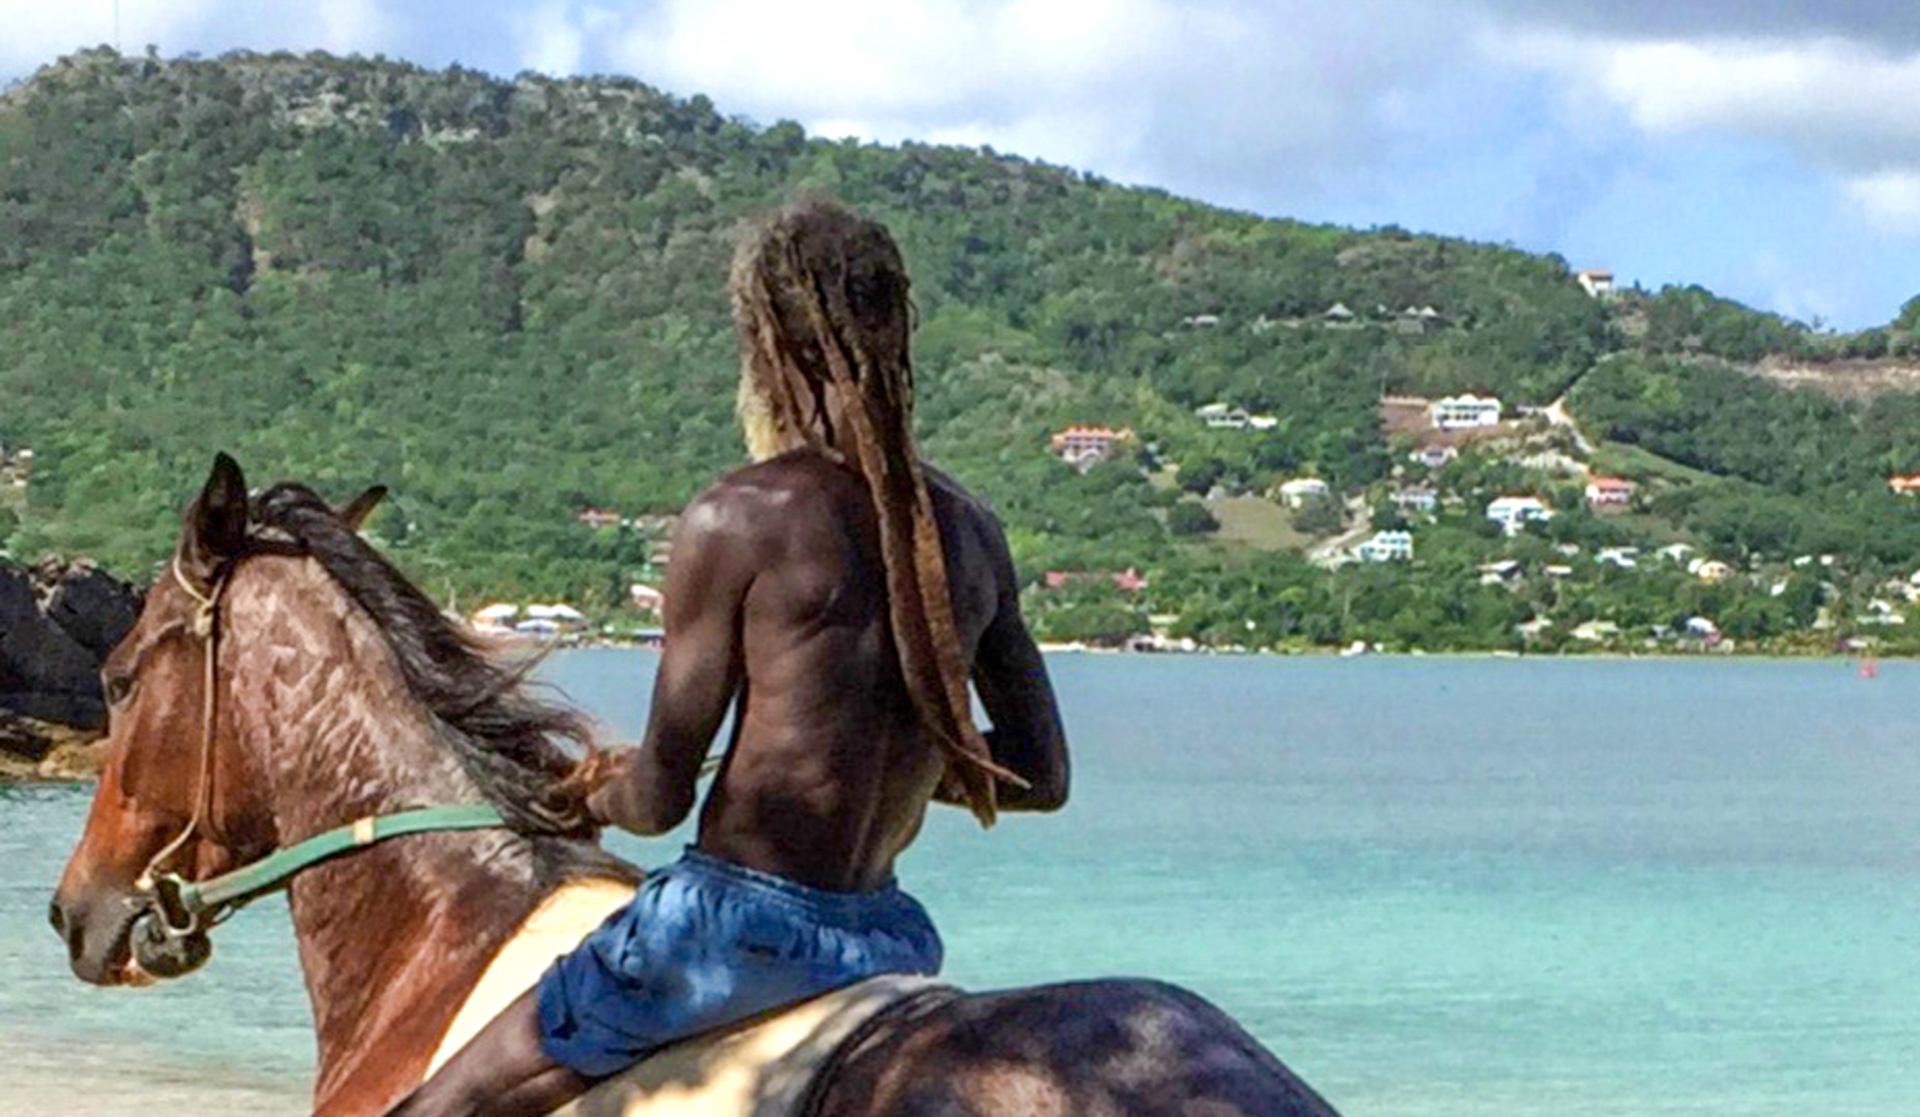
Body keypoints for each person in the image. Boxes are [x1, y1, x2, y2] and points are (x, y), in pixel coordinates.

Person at [386, 199, 1069, 1117]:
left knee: (442, 1105)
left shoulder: (739, 516)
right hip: (889, 935)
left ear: (770, 340)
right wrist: (913, 756)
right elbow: (1041, 774)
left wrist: (592, 794)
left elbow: (661, 797)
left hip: (732, 931)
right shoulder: (970, 531)